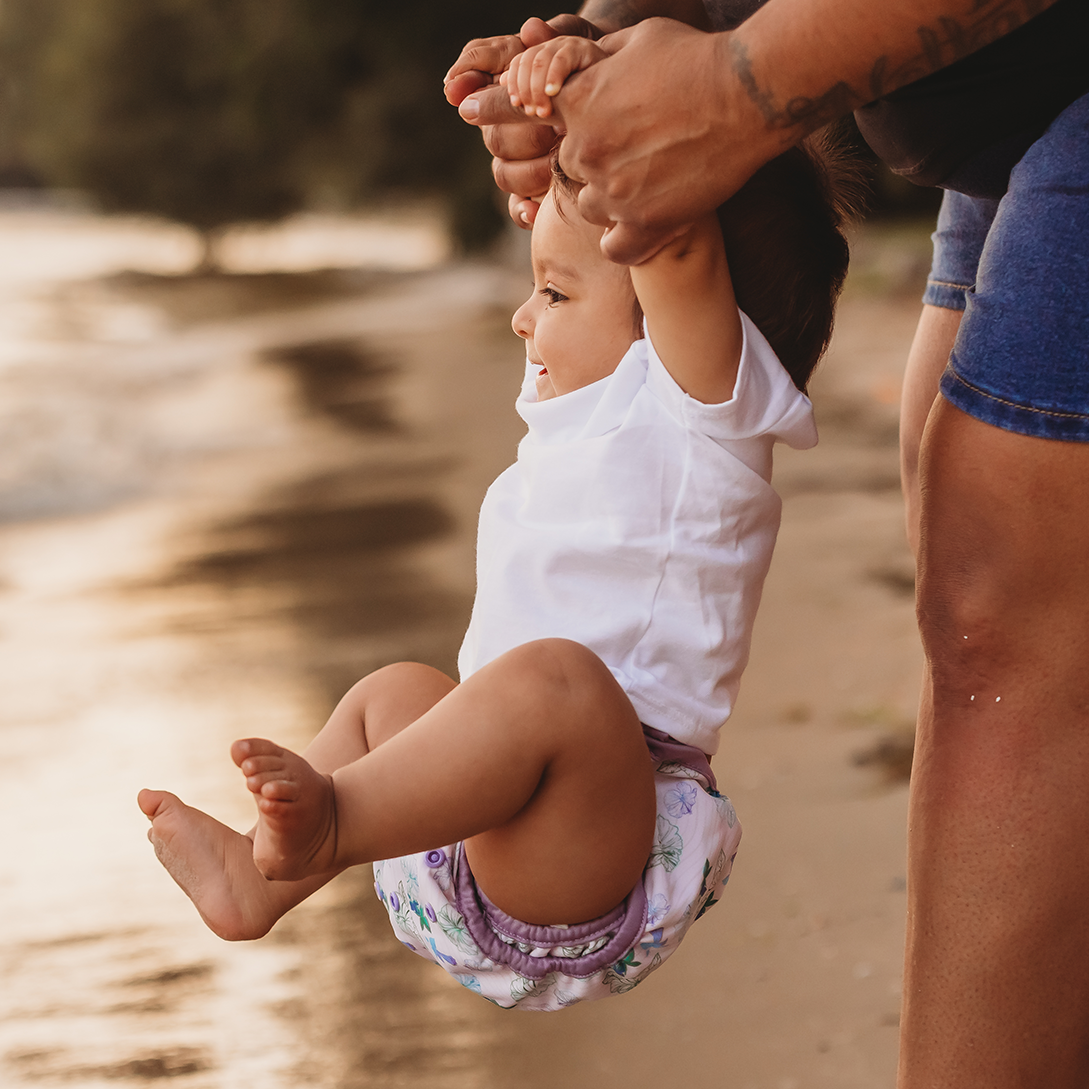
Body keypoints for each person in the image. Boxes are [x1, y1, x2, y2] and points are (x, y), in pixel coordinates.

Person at [446, 0, 1089, 1081]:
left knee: (1000, 616)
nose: (528, 316)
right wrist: (597, 58)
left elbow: (682, 237)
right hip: (1005, 97)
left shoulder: (695, 374)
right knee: (969, 535)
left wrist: (742, 83)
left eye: (552, 292)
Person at [137, 89, 855, 1008]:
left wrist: (605, 88)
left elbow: (667, 223)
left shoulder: (700, 409)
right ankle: (258, 878)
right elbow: (616, 218)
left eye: (552, 292)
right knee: (396, 690)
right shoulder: (585, 411)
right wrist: (552, 103)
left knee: (553, 679)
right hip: (465, 832)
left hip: (596, 848)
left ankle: (331, 823)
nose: (524, 317)